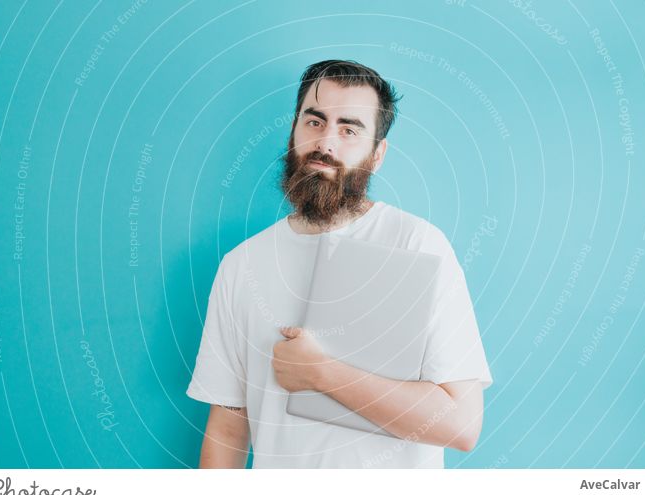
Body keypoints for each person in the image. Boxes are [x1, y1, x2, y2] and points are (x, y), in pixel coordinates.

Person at [187, 59, 492, 468]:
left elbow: (461, 425)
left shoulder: (419, 246)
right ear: (294, 131)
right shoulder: (242, 265)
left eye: (349, 129)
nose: (326, 143)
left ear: (377, 154)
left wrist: (322, 374)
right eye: (314, 122)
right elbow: (228, 426)